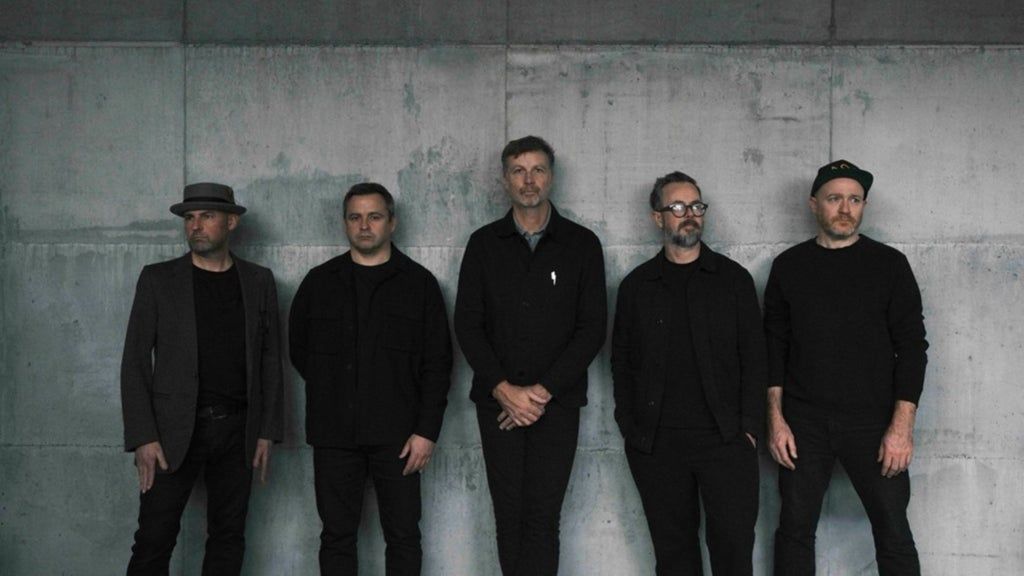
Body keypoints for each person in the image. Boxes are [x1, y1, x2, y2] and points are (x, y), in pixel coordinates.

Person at [765, 160, 928, 575]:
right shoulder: (789, 266)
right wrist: (776, 421)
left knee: (893, 532)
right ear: (813, 204)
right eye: (834, 198)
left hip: (874, 422)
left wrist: (901, 428)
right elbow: (774, 349)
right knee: (794, 530)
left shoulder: (889, 265)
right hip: (803, 423)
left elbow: (912, 348)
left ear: (864, 206)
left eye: (854, 200)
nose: (845, 208)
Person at [454, 136, 607, 576]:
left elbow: (592, 329)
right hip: (498, 405)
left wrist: (539, 394)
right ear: (505, 180)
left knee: (542, 517)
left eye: (537, 169)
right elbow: (468, 324)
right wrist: (504, 390)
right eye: (518, 171)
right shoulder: (483, 244)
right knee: (508, 515)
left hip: (556, 405)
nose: (528, 180)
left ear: (551, 177)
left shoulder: (581, 244)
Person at [289, 182, 453, 576]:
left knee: (403, 537)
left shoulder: (419, 285)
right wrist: (334, 391)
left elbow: (438, 365)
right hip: (333, 434)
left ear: (392, 223)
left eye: (374, 216)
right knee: (336, 537)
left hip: (400, 438)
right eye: (355, 217)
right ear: (345, 223)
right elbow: (299, 351)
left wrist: (426, 432)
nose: (364, 226)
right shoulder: (319, 283)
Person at [121, 182, 284, 575]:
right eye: (189, 218)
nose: (195, 226)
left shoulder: (258, 281)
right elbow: (135, 362)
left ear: (231, 222)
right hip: (172, 430)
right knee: (154, 540)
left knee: (228, 538)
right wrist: (143, 436)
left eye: (207, 217)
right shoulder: (158, 280)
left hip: (237, 431)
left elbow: (270, 360)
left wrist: (266, 431)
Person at [611, 171, 765, 575]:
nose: (689, 214)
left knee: (733, 553)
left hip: (726, 442)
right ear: (657, 218)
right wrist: (630, 426)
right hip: (658, 446)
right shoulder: (637, 287)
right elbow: (621, 362)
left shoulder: (734, 281)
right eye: (677, 207)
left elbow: (756, 358)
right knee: (674, 558)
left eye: (696, 206)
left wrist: (748, 429)